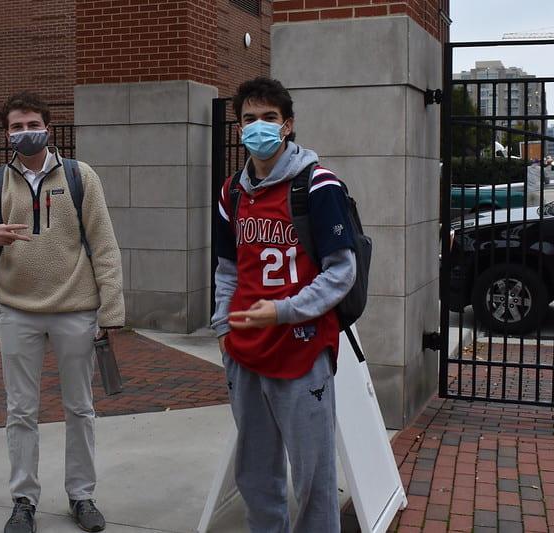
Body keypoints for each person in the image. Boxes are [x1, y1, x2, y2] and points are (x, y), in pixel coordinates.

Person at [0, 91, 124, 533]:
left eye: (32, 124)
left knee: (80, 408)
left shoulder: (79, 176)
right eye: (16, 126)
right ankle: (24, 501)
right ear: (6, 132)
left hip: (75, 308)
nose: (25, 132)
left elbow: (104, 246)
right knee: (21, 411)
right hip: (17, 310)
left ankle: (82, 495)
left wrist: (111, 312)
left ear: (48, 127)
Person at [211, 77, 356, 533]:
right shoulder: (231, 192)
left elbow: (341, 271)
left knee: (313, 477)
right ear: (238, 128)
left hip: (302, 346)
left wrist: (284, 310)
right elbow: (226, 268)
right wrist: (222, 328)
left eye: (269, 118)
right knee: (255, 474)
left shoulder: (318, 185)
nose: (259, 127)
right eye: (249, 119)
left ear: (288, 125)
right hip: (245, 349)